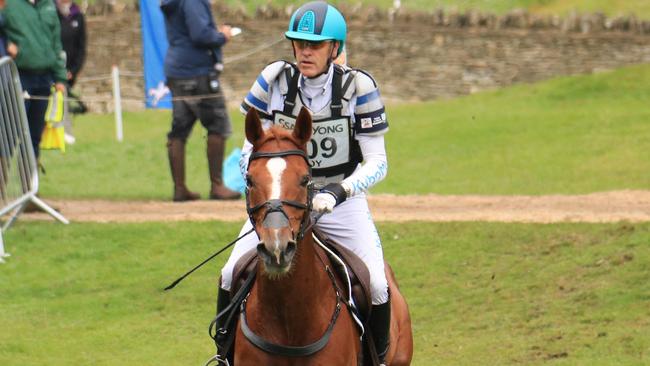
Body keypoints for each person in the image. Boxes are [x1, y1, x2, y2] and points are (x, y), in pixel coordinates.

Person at [218, 1, 392, 363]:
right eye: (299, 43)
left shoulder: (359, 86)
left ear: (335, 48)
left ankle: (375, 358)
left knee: (375, 283)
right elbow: (249, 149)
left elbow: (378, 163)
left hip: (341, 203)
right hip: (281, 202)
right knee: (228, 272)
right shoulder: (274, 79)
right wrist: (268, 192)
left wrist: (339, 192)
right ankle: (224, 355)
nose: (305, 52)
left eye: (315, 45)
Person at [160, 0, 240, 202]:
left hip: (177, 70)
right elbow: (200, 35)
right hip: (198, 72)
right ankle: (217, 186)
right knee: (218, 127)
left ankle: (179, 188)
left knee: (179, 130)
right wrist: (223, 35)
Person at [1, 0, 67, 162]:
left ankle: (32, 184)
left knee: (34, 136)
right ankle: (1, 184)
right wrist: (6, 44)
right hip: (18, 76)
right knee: (9, 133)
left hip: (44, 79)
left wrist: (60, 77)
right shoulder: (9, 3)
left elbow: (56, 43)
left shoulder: (48, 5)